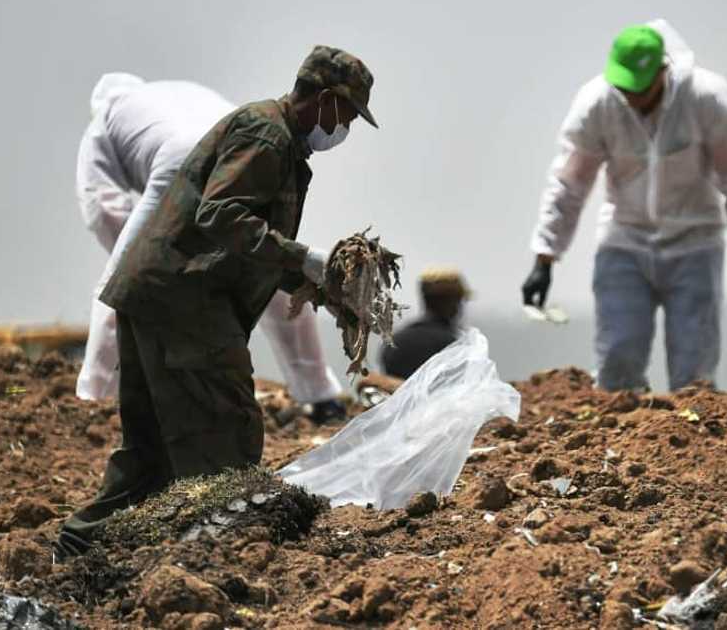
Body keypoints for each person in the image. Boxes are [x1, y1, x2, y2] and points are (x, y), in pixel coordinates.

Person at [57, 46, 377, 557]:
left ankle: (78, 548)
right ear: (323, 100)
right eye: (347, 116)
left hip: (155, 296)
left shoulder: (276, 139)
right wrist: (307, 258)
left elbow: (249, 246)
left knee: (150, 450)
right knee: (228, 438)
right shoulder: (266, 136)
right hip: (188, 303)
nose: (346, 130)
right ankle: (224, 559)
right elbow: (221, 216)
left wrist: (318, 287)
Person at [522, 20, 727, 392]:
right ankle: (619, 440)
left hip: (695, 245)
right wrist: (545, 257)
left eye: (640, 89)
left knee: (694, 371)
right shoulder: (598, 104)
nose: (632, 98)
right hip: (625, 243)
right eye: (624, 88)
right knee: (618, 360)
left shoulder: (706, 99)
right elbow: (569, 183)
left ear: (663, 70)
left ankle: (692, 443)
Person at [75, 74, 344, 419]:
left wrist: (160, 264)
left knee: (125, 279)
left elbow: (103, 208)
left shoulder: (105, 121)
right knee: (273, 260)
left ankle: (92, 402)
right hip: (243, 148)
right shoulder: (182, 90)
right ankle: (321, 396)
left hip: (182, 157)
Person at [380, 267, 470, 379]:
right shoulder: (452, 345)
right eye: (458, 300)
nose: (459, 307)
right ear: (449, 301)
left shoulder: (395, 341)